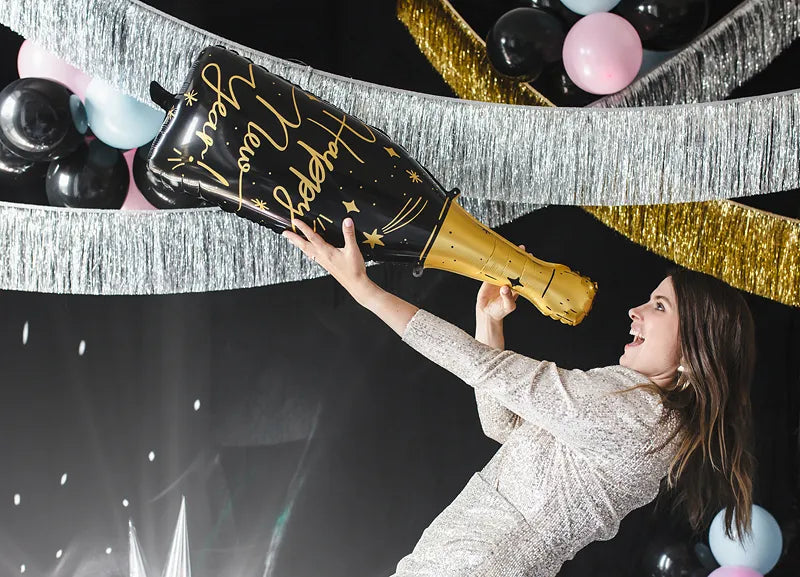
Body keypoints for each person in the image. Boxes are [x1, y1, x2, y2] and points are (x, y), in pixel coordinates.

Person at [283, 217, 757, 577]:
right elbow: (506, 427)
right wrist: (489, 322)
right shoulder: (648, 414)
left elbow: (487, 370)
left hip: (476, 564)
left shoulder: (636, 412)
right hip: (465, 557)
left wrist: (364, 289)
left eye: (659, 306)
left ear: (695, 350)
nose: (635, 311)